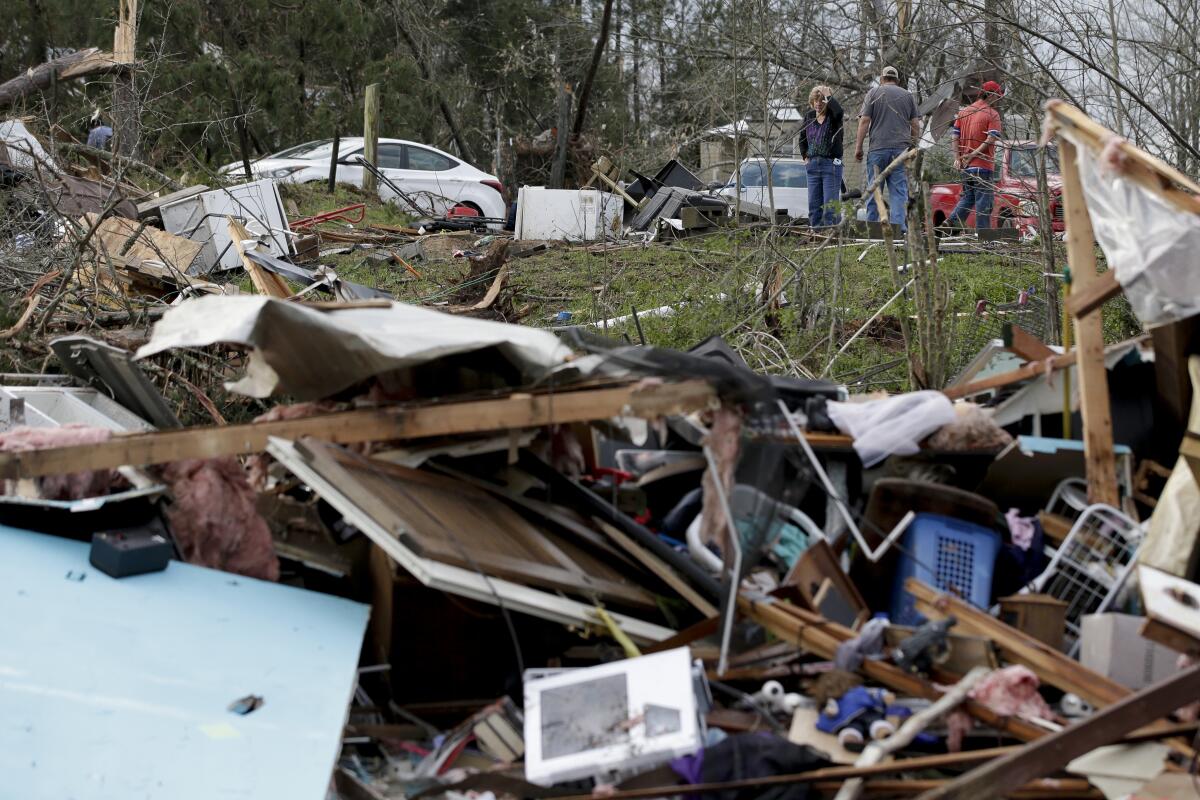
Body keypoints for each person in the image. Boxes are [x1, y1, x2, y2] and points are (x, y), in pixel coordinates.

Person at [855, 66, 921, 230]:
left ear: (882, 78)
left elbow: (864, 121)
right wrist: (913, 145)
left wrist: (858, 148)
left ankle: (871, 229)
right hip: (900, 151)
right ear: (897, 80)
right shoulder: (907, 96)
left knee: (874, 189)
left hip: (878, 149)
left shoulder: (873, 93)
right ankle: (899, 231)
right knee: (899, 192)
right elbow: (915, 124)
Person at [948, 80, 1004, 229]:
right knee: (984, 205)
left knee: (968, 199)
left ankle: (949, 224)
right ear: (990, 95)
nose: (998, 99)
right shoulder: (992, 114)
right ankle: (984, 239)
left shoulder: (963, 112)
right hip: (983, 167)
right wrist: (973, 155)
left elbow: (954, 137)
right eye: (997, 96)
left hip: (966, 168)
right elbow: (991, 138)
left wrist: (957, 158)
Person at [798, 84, 844, 227]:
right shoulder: (809, 117)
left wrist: (828, 94)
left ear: (827, 102)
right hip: (812, 165)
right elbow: (802, 139)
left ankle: (833, 235)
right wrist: (805, 157)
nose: (818, 104)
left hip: (830, 165)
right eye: (815, 101)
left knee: (830, 205)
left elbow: (839, 111)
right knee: (814, 205)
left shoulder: (833, 116)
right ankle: (816, 235)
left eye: (821, 100)